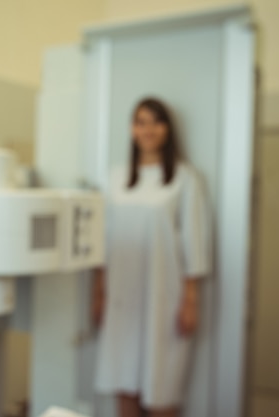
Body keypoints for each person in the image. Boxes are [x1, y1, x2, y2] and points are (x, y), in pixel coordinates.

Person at [92, 97, 210, 417]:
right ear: (132, 129)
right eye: (141, 122)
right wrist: (99, 293)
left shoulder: (185, 178)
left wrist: (190, 300)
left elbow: (194, 242)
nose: (148, 129)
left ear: (167, 129)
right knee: (124, 383)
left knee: (162, 392)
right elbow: (103, 240)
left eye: (155, 122)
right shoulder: (114, 178)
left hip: (165, 298)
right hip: (121, 297)